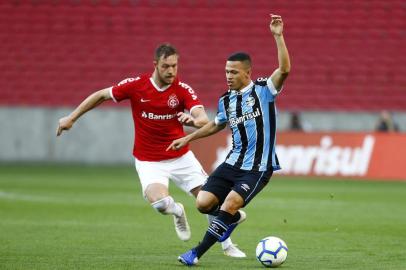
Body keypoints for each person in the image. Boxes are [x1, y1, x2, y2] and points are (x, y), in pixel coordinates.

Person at [56, 43, 246, 257]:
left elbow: (203, 120)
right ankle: (178, 211)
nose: (172, 71)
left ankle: (227, 244)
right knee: (161, 204)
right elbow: (101, 95)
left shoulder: (183, 90)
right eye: (166, 66)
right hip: (149, 160)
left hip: (181, 158)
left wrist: (192, 121)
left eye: (175, 66)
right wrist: (71, 118)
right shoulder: (136, 85)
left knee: (211, 202)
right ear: (155, 65)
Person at [167, 14, 291, 266]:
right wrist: (188, 138)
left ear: (247, 72)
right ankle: (230, 219)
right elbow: (216, 124)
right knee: (203, 203)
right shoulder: (226, 99)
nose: (228, 76)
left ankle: (196, 253)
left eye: (233, 72)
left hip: (257, 168)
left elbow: (285, 69)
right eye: (226, 71)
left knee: (231, 203)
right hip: (232, 163)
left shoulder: (263, 91)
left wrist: (278, 37)